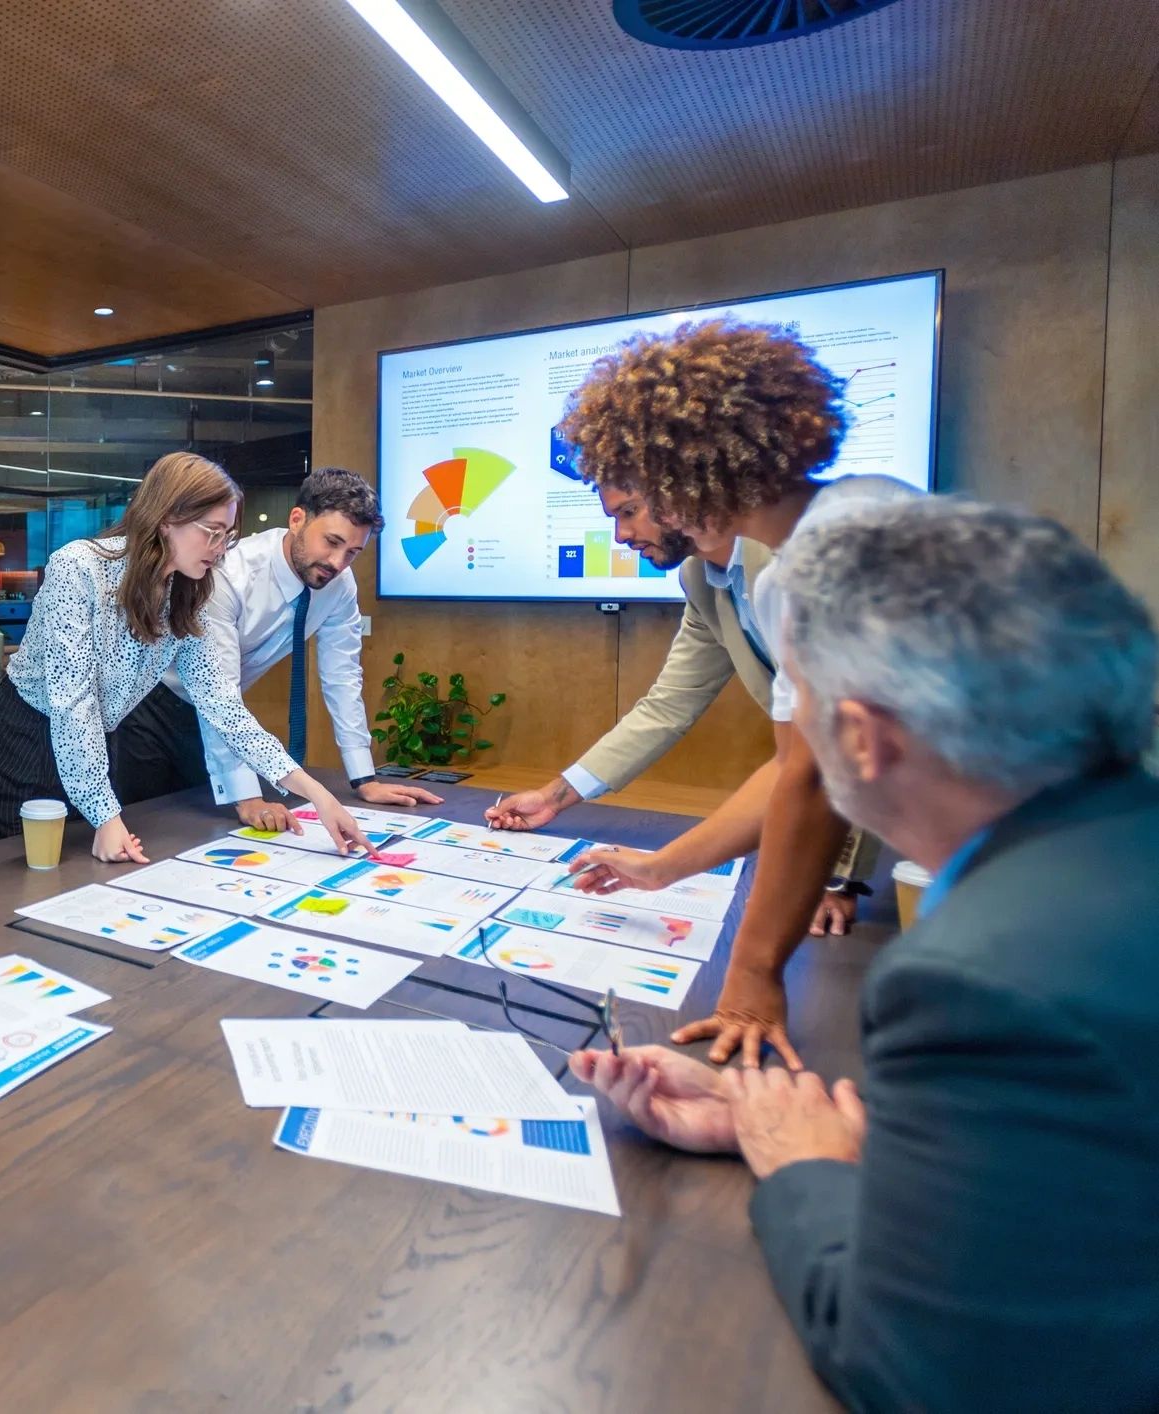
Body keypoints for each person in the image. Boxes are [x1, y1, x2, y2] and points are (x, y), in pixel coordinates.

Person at [573, 498, 1159, 1412]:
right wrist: (776, 1118)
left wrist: (799, 1165)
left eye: (796, 704)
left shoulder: (980, 980)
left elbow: (917, 1368)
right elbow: (1078, 1158)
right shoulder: (1108, 865)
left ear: (859, 736)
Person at [522, 317, 914, 1066]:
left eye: (633, 505)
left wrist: (751, 981)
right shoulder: (815, 534)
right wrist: (660, 867)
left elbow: (813, 775)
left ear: (680, 479)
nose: (626, 531)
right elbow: (790, 760)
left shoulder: (825, 554)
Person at [0, 451, 369, 861]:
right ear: (166, 519)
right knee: (26, 882)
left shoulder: (187, 593)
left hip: (97, 753)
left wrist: (316, 794)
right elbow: (73, 704)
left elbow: (222, 706)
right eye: (212, 532)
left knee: (87, 881)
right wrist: (105, 815)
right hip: (25, 747)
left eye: (227, 535)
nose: (220, 549)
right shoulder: (78, 568)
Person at [112, 467, 445, 832]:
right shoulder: (228, 574)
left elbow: (343, 677)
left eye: (352, 552)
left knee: (199, 829)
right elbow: (219, 691)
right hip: (152, 708)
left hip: (225, 718)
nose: (337, 563)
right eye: (331, 542)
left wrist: (364, 777)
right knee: (147, 827)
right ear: (297, 519)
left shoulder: (338, 585)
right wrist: (247, 797)